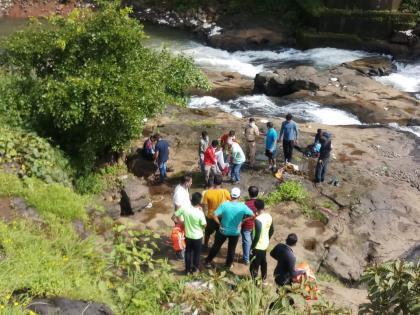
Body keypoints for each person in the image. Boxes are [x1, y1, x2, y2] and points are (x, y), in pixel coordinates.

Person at [204, 187, 254, 269]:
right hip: (235, 232)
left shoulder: (225, 204)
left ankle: (207, 261)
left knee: (216, 246)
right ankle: (228, 265)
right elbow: (252, 215)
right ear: (239, 196)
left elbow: (214, 215)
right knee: (231, 249)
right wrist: (242, 221)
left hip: (223, 230)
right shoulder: (242, 206)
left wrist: (219, 224)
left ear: (230, 195)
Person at [173, 192, 207, 274]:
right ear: (199, 202)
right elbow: (204, 225)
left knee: (188, 253)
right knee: (197, 254)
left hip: (188, 235)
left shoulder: (184, 208)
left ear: (191, 200)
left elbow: (175, 215)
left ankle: (187, 270)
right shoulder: (200, 213)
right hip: (198, 237)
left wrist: (181, 222)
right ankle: (195, 269)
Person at [202, 175, 231, 249]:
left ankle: (205, 245)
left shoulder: (208, 193)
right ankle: (216, 246)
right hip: (221, 216)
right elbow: (232, 201)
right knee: (219, 232)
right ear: (221, 183)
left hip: (211, 216)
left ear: (213, 182)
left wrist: (203, 215)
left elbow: (204, 206)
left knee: (208, 232)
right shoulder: (225, 192)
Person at [250, 199, 273, 281]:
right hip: (265, 244)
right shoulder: (269, 216)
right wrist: (267, 238)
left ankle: (254, 283)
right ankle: (264, 279)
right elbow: (272, 230)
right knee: (263, 262)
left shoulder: (258, 219)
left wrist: (252, 247)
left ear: (255, 208)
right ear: (264, 206)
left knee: (254, 264)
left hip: (258, 246)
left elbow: (257, 235)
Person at [241, 186, 259, 265]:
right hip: (256, 226)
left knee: (246, 242)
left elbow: (243, 216)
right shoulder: (260, 203)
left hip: (247, 226)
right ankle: (252, 255)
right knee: (254, 240)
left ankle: (246, 259)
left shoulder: (246, 204)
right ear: (257, 193)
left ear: (249, 194)